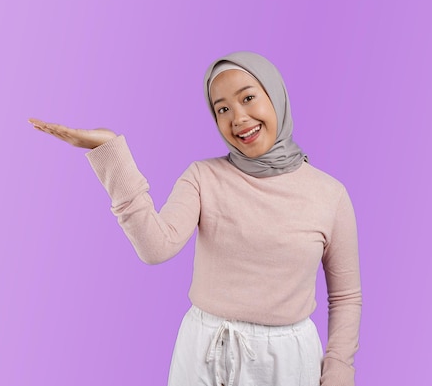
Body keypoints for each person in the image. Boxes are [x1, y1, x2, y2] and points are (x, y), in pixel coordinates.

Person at [29, 51, 361, 386]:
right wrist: (111, 152)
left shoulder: (329, 194)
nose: (239, 118)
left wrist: (339, 371)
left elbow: (346, 296)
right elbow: (156, 247)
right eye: (222, 109)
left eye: (248, 98)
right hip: (203, 350)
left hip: (287, 361)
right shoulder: (203, 177)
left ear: (276, 96)